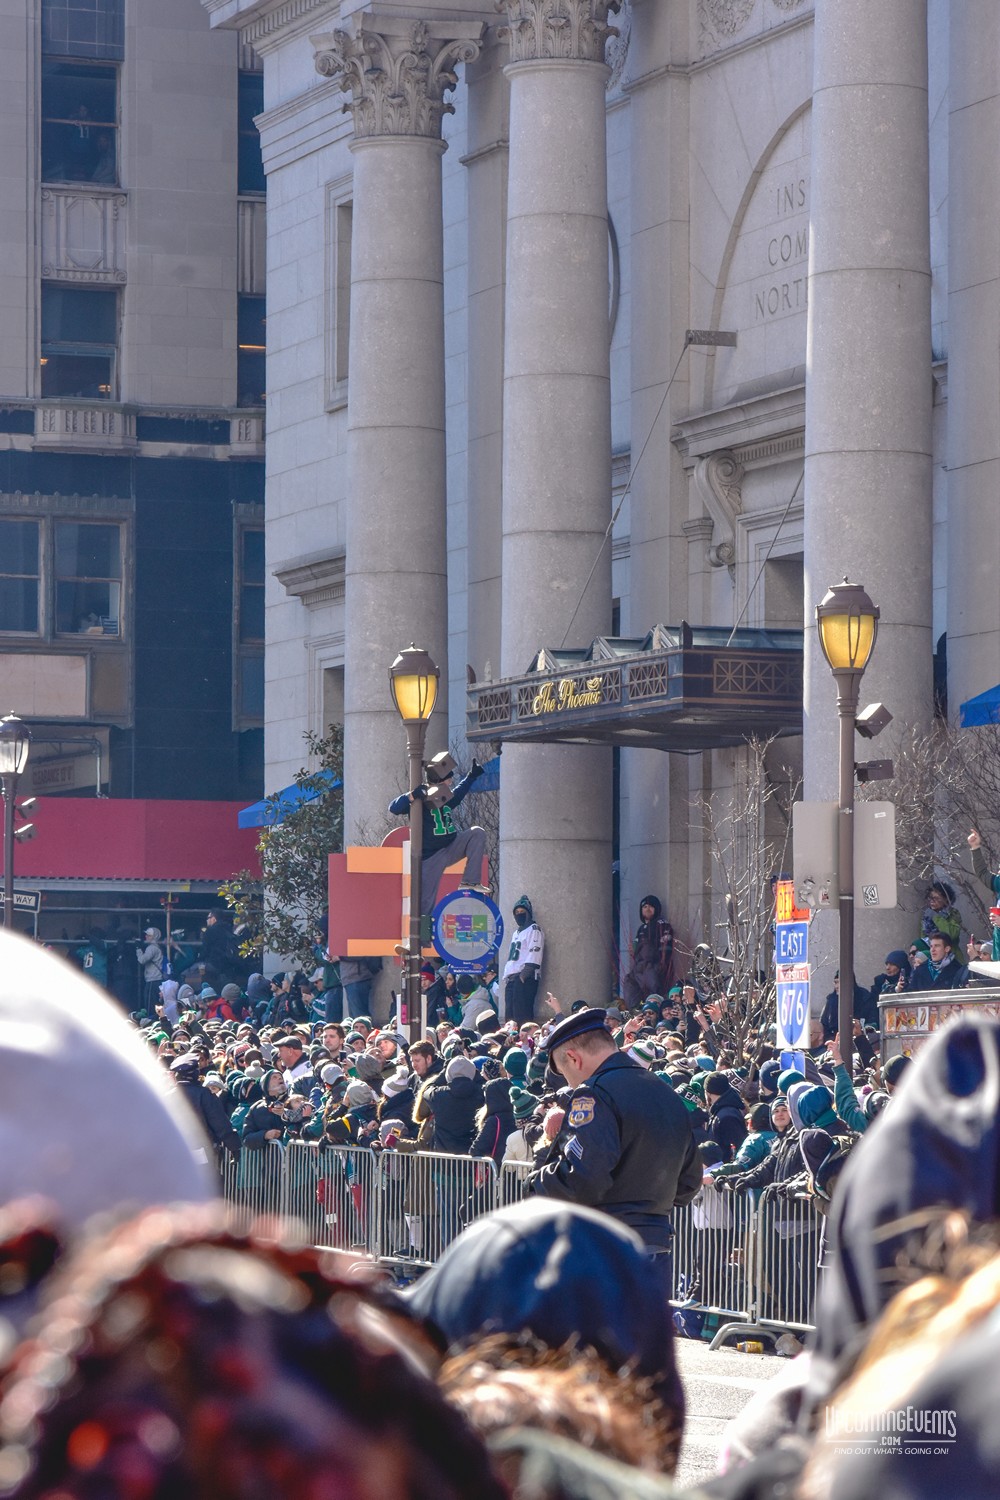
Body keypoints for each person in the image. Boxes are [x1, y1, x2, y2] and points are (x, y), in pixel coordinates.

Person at [530, 1008, 701, 1258]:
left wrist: (536, 1182)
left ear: (573, 1058)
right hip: (655, 1245)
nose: (570, 1084)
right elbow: (689, 1182)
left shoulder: (593, 1093)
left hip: (603, 1247)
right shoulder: (665, 1092)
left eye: (566, 1075)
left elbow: (582, 1179)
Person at [388, 750, 488, 916]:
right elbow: (394, 808)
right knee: (425, 902)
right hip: (431, 856)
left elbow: (460, 792)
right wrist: (412, 796)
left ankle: (470, 881)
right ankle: (423, 931)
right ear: (441, 781)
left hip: (452, 846)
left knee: (477, 833)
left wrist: (471, 776)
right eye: (449, 780)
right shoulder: (420, 800)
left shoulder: (446, 797)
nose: (451, 783)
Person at [622, 895, 674, 1008]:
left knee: (653, 992)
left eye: (651, 906)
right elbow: (636, 949)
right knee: (629, 983)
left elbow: (666, 947)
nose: (647, 909)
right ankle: (635, 1010)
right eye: (645, 907)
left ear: (656, 909)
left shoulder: (662, 924)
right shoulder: (641, 928)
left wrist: (660, 966)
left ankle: (654, 1009)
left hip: (652, 966)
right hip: (639, 967)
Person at [502, 895, 545, 1026]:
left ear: (528, 913)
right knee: (510, 1016)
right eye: (517, 912)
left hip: (524, 978)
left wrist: (524, 975)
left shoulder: (534, 929)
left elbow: (535, 951)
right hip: (512, 978)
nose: (519, 914)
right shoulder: (516, 933)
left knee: (522, 1015)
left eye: (522, 912)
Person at [136, 926, 164, 1016]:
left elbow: (142, 960)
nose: (146, 937)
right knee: (157, 1004)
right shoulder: (158, 947)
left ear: (154, 937)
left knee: (150, 1005)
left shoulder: (151, 948)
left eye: (149, 935)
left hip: (153, 980)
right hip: (158, 979)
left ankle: (150, 1020)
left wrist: (138, 948)